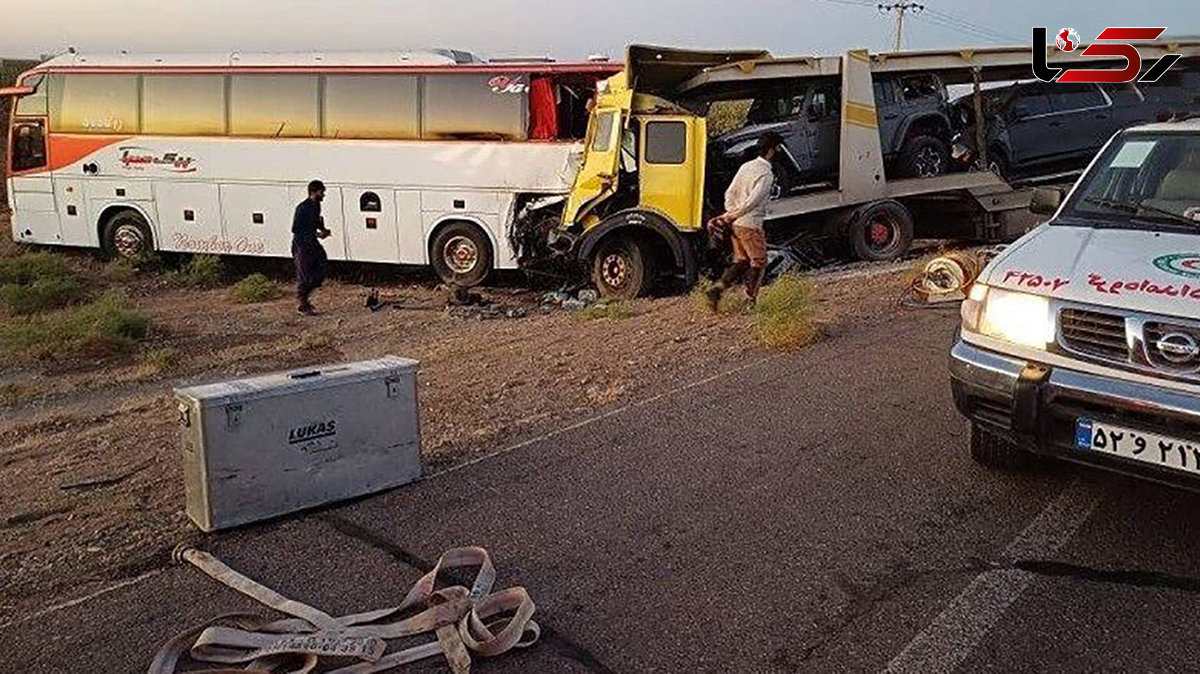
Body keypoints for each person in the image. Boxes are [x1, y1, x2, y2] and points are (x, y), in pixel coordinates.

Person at [705, 132, 782, 310]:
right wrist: (732, 215)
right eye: (778, 148)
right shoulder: (766, 174)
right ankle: (750, 300)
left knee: (741, 261)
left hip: (736, 224)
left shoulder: (746, 166)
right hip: (750, 224)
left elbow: (729, 193)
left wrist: (730, 213)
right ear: (771, 151)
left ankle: (716, 291)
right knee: (759, 262)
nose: (779, 152)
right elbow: (752, 203)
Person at [292, 180, 332, 315]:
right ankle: (302, 304)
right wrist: (317, 234)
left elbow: (315, 222)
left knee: (321, 267)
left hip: (311, 243)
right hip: (302, 244)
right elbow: (296, 228)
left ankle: (305, 300)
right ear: (314, 192)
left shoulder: (316, 206)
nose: (324, 195)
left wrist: (323, 230)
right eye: (322, 192)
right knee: (305, 273)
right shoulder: (303, 208)